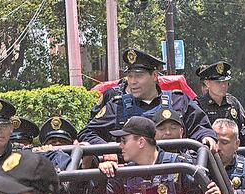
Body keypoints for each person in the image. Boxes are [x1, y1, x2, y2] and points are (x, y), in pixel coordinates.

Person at [90, 116, 223, 194]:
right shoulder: (125, 173)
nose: (120, 146)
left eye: (124, 141)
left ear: (141, 142)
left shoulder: (180, 166)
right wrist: (102, 175)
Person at [78, 49, 217, 149]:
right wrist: (106, 150)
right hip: (129, 179)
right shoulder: (117, 105)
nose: (133, 81)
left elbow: (200, 126)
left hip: (175, 174)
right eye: (130, 76)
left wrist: (207, 137)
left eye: (139, 76)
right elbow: (87, 132)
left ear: (155, 76)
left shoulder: (178, 100)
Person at [195, 61, 245, 129]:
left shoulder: (233, 102)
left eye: (225, 82)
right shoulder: (198, 105)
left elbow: (243, 129)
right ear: (207, 83)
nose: (223, 86)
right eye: (218, 82)